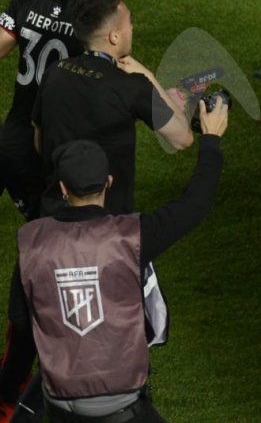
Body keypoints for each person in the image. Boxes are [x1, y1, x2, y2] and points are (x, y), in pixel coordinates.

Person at [10, 94, 227, 422]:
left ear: (64, 189)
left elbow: (23, 323)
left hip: (60, 403)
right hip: (124, 404)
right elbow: (195, 204)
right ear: (108, 183)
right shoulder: (133, 235)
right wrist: (210, 139)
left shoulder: (32, 243)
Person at [0, 0, 130, 415]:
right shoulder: (99, 20)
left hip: (8, 139)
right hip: (48, 157)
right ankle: (13, 394)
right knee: (41, 278)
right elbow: (120, 74)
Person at [32, 0, 193, 218]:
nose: (133, 29)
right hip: (107, 227)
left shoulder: (55, 71)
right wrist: (148, 75)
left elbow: (39, 140)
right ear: (114, 37)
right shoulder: (132, 86)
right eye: (130, 22)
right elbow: (182, 138)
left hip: (53, 216)